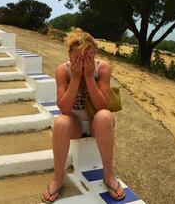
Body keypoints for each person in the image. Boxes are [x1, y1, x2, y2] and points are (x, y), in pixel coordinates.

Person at [42, 28, 125, 203]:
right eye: (78, 57)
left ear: (95, 53)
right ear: (69, 55)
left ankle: (109, 175)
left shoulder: (102, 68)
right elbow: (64, 108)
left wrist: (88, 77)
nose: (84, 60)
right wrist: (75, 78)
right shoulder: (62, 71)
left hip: (97, 123)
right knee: (60, 122)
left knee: (104, 115)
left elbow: (102, 104)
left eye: (89, 56)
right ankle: (58, 178)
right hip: (75, 124)